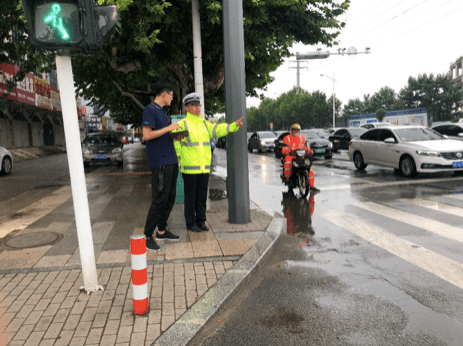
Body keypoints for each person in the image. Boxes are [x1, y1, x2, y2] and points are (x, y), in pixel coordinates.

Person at [174, 93, 244, 233]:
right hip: (189, 169)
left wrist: (234, 126)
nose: (197, 108)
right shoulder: (182, 124)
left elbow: (219, 129)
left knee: (201, 197)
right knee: (190, 198)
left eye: (198, 105)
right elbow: (177, 145)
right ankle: (190, 222)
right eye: (193, 105)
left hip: (204, 168)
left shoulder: (205, 124)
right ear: (187, 108)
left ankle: (201, 220)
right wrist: (181, 161)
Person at [142, 81, 186, 251]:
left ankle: (161, 230)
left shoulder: (162, 112)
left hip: (171, 160)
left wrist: (175, 135)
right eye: (172, 95)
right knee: (160, 198)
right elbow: (147, 135)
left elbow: (161, 135)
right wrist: (168, 128)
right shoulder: (150, 110)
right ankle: (147, 235)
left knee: (170, 197)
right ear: (164, 94)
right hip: (160, 162)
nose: (173, 98)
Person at [281, 123, 319, 192]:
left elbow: (306, 146)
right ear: (292, 130)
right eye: (294, 130)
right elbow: (284, 148)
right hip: (292, 155)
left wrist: (310, 151)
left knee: (309, 168)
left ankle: (312, 186)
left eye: (297, 130)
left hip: (301, 155)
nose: (296, 131)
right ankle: (287, 178)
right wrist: (289, 150)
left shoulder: (302, 138)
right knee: (288, 162)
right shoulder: (287, 138)